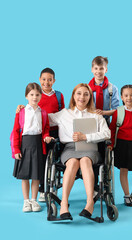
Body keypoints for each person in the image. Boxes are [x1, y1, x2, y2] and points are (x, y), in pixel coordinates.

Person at [48, 83, 111, 220]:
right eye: (79, 93)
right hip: (70, 147)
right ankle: (64, 203)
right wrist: (26, 110)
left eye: (86, 94)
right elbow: (44, 118)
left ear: (89, 97)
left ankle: (90, 202)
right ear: (73, 96)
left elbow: (107, 133)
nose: (82, 97)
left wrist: (86, 137)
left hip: (89, 147)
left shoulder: (96, 115)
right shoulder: (64, 113)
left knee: (85, 161)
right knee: (71, 163)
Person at [17, 67, 65, 202]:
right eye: (44, 79)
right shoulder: (36, 95)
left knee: (54, 160)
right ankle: (42, 190)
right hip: (39, 133)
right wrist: (21, 107)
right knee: (42, 161)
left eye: (50, 80)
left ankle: (52, 185)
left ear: (54, 81)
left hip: (54, 132)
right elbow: (29, 109)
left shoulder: (58, 95)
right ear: (39, 80)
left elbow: (63, 113)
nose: (46, 82)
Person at [12, 83, 53, 212]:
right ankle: (26, 201)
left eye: (37, 95)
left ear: (41, 96)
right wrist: (16, 150)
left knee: (36, 175)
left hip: (38, 145)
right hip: (25, 144)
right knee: (25, 176)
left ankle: (34, 200)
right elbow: (15, 131)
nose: (34, 97)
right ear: (26, 96)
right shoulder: (21, 112)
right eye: (31, 94)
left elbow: (45, 129)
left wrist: (46, 136)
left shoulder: (44, 113)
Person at [108, 84, 132, 207]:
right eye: (126, 95)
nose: (129, 98)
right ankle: (126, 196)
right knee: (123, 170)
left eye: (131, 95)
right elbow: (113, 129)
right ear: (121, 97)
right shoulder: (118, 112)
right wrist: (111, 144)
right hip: (121, 144)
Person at [88, 56, 119, 125]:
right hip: (89, 121)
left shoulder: (112, 88)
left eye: (101, 68)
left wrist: (103, 112)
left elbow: (117, 110)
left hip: (106, 122)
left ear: (106, 70)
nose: (98, 71)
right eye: (96, 68)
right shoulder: (87, 88)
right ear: (92, 69)